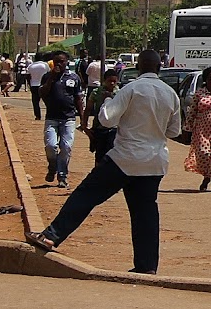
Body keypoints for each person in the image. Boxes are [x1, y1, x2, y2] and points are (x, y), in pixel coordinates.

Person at [26, 50, 182, 275]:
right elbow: (174, 130)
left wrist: (108, 101)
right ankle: (146, 266)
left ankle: (51, 236)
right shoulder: (170, 94)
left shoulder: (131, 89)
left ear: (139, 67)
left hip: (125, 157)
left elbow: (106, 119)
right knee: (145, 214)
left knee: (86, 194)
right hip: (155, 161)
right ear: (159, 68)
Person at [39, 51, 84, 188]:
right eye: (56, 61)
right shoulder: (47, 76)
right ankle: (53, 166)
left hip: (68, 118)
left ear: (67, 62)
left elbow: (78, 99)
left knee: (66, 147)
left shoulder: (74, 78)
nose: (59, 64)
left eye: (62, 61)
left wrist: (82, 119)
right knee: (51, 146)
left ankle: (62, 175)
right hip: (52, 118)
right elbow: (42, 93)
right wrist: (51, 78)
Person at [81, 69, 120, 165]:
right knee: (99, 154)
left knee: (112, 153)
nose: (111, 83)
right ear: (104, 80)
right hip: (99, 127)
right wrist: (84, 125)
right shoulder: (96, 92)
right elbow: (88, 109)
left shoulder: (120, 93)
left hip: (115, 128)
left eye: (114, 81)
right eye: (109, 81)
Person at [27, 52, 51, 120]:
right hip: (44, 85)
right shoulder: (45, 65)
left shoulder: (31, 66)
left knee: (35, 102)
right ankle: (49, 115)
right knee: (47, 101)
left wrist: (30, 84)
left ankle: (38, 116)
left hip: (34, 85)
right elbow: (49, 74)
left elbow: (28, 76)